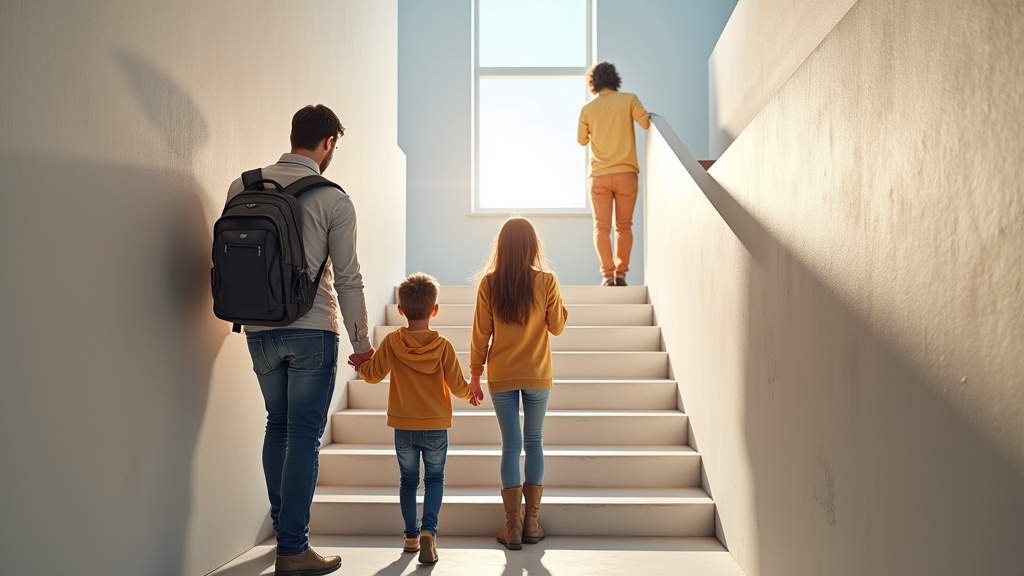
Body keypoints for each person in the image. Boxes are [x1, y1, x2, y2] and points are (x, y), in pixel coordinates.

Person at [225, 104, 374, 576]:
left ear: (293, 136)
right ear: (328, 143)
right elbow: (348, 278)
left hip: (257, 329)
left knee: (278, 425)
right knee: (305, 436)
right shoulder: (334, 199)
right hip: (312, 331)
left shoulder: (242, 186)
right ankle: (293, 547)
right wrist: (361, 342)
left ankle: (282, 530)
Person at [356, 272, 483, 564]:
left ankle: (411, 536)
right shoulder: (443, 346)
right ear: (434, 310)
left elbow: (373, 376)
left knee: (408, 480)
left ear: (401, 310)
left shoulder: (391, 342)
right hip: (436, 425)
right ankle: (429, 532)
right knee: (435, 478)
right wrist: (471, 393)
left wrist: (363, 364)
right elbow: (457, 385)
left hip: (403, 425)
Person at [469, 217, 568, 550]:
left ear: (501, 248)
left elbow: (480, 335)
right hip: (537, 373)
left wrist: (474, 374)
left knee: (510, 445)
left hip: (501, 376)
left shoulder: (489, 284)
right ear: (532, 247)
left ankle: (511, 527)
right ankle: (532, 524)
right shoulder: (547, 281)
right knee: (534, 441)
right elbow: (557, 327)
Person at [577, 61, 651, 287]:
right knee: (624, 226)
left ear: (593, 83)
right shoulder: (629, 99)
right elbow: (646, 123)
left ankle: (607, 276)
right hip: (626, 174)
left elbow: (581, 141)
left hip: (599, 176)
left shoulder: (587, 110)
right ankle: (621, 275)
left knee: (601, 227)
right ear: (614, 79)